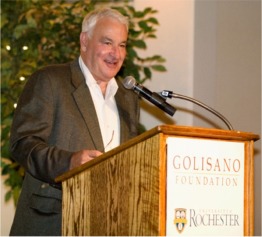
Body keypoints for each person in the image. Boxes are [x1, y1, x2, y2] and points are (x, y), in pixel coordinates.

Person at [9, 7, 140, 236]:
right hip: (53, 223)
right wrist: (68, 163)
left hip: (110, 225)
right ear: (84, 41)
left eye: (122, 45)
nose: (116, 54)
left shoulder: (128, 98)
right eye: (107, 42)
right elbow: (22, 144)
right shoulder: (50, 81)